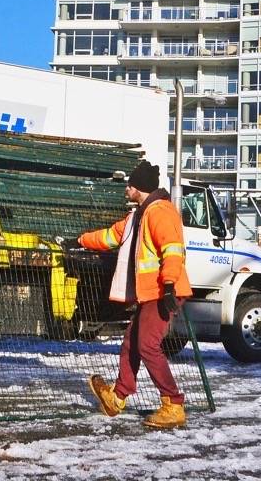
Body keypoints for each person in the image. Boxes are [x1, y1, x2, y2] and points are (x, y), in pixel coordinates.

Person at [76, 159, 192, 429]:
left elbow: (173, 251)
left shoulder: (160, 212)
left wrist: (170, 286)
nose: (125, 188)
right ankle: (117, 398)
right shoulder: (138, 216)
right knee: (132, 342)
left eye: (129, 184)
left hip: (163, 291)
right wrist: (80, 241)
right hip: (152, 292)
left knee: (147, 345)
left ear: (139, 187)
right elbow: (110, 237)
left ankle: (173, 404)